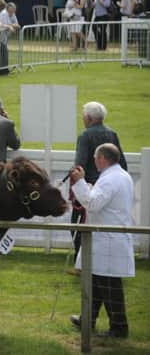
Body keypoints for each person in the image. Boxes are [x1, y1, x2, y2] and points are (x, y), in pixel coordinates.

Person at [68, 143, 134, 339]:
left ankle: (119, 327)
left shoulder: (110, 179)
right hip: (106, 238)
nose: (94, 161)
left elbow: (93, 204)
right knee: (96, 281)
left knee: (108, 285)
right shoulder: (118, 175)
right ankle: (87, 319)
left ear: (103, 158)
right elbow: (100, 199)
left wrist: (79, 183)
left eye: (96, 158)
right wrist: (88, 187)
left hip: (107, 239)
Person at [68, 101, 127, 275]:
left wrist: (77, 184)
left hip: (88, 186)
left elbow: (79, 163)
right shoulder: (112, 134)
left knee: (78, 225)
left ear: (88, 118)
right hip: (110, 185)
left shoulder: (85, 135)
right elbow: (121, 161)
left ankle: (81, 266)